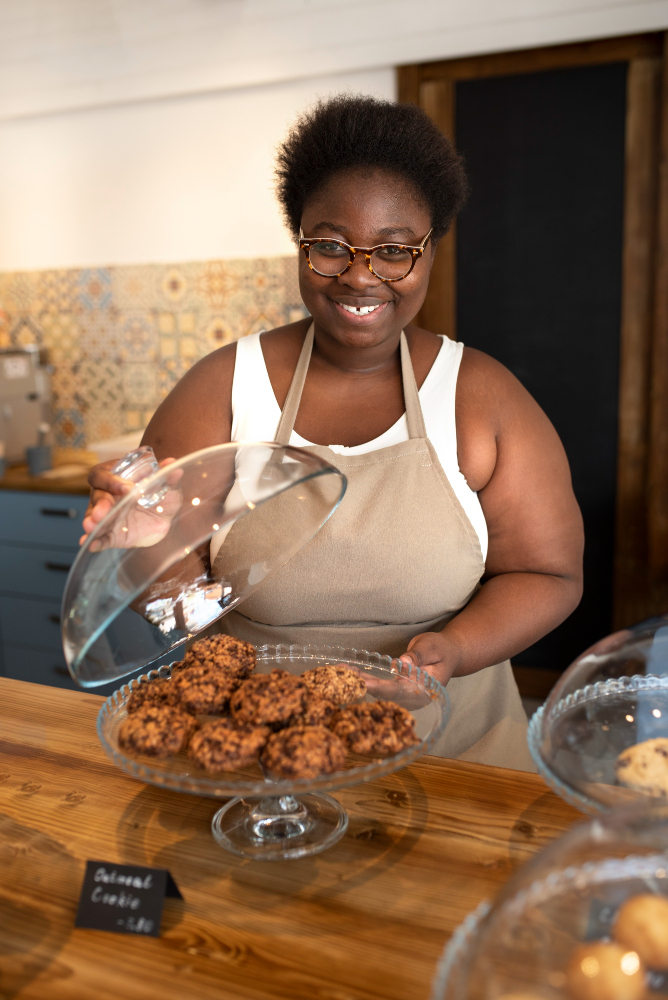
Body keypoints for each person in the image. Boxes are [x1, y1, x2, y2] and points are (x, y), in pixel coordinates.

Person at [83, 95, 583, 770]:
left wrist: (457, 648)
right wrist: (141, 551)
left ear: (429, 251)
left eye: (395, 250)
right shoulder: (221, 391)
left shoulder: (482, 398)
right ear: (300, 243)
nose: (359, 274)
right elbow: (179, 615)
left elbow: (547, 573)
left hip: (457, 757)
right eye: (330, 246)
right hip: (257, 766)